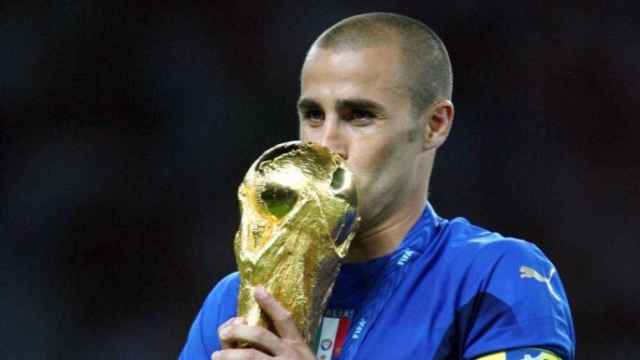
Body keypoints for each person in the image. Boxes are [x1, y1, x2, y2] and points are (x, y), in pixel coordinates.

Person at [180, 12, 575, 360]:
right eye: (314, 115)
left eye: (359, 116)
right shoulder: (237, 301)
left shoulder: (495, 278)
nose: (326, 145)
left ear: (434, 125)